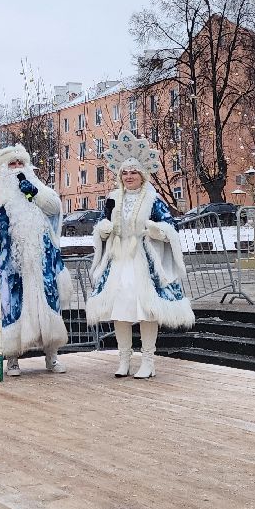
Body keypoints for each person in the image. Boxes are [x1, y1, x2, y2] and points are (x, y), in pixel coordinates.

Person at [85, 131, 195, 380]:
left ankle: (148, 360)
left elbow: (171, 228)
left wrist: (156, 230)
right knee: (120, 310)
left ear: (142, 175)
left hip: (144, 261)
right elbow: (103, 225)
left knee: (146, 311)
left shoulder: (154, 199)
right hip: (119, 261)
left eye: (133, 172)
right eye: (124, 173)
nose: (129, 177)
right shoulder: (113, 199)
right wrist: (102, 231)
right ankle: (124, 358)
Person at [0, 144, 69, 375]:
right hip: (10, 267)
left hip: (40, 265)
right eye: (12, 163)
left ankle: (52, 357)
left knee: (48, 308)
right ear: (3, 168)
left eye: (21, 163)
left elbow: (55, 208)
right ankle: (12, 359)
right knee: (10, 310)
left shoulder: (37, 187)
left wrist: (35, 194)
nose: (17, 167)